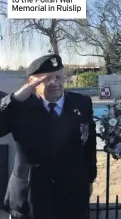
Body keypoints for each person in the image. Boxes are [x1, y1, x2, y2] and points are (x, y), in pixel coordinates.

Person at [0, 54, 97, 219]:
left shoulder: (81, 103)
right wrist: (15, 99)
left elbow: (89, 144)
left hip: (72, 195)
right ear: (32, 82)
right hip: (30, 197)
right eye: (46, 79)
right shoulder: (20, 106)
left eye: (59, 77)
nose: (54, 83)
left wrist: (89, 178)